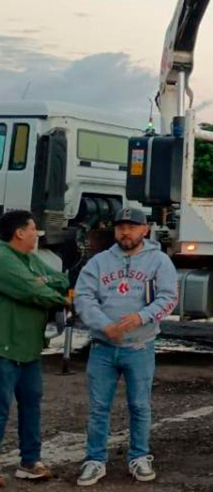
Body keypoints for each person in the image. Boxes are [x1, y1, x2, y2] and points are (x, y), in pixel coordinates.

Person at [74, 208, 178, 487]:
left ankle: (140, 456)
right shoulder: (99, 262)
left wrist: (141, 317)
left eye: (132, 227)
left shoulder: (159, 262)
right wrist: (103, 324)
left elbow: (169, 297)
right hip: (103, 347)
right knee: (98, 407)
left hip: (140, 347)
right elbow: (83, 297)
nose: (125, 232)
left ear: (145, 230)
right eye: (121, 227)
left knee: (139, 405)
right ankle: (95, 461)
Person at [0, 210, 70, 485]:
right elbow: (31, 291)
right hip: (4, 347)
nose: (36, 234)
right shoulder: (3, 257)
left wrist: (45, 283)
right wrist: (57, 297)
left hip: (29, 349)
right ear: (19, 232)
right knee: (1, 408)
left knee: (31, 406)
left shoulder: (30, 259)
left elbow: (62, 280)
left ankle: (30, 462)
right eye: (33, 229)